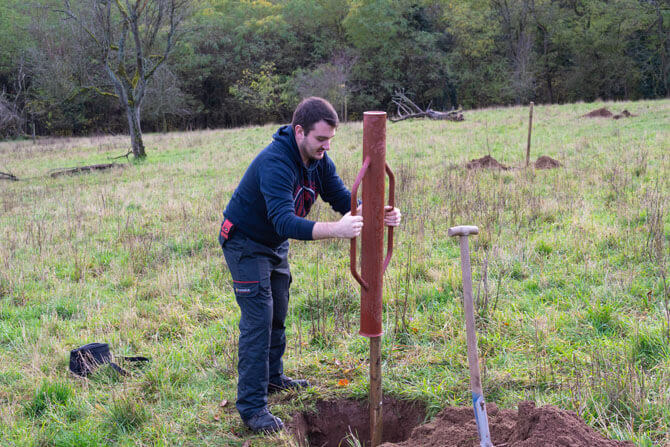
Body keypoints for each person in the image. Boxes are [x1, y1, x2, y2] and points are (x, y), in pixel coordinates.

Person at [218, 97, 401, 433]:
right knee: (258, 320)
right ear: (299, 131)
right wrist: (337, 230)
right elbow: (284, 221)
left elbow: (342, 197)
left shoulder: (319, 161)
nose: (326, 146)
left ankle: (273, 379)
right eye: (320, 139)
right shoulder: (276, 163)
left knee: (277, 314)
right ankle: (252, 409)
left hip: (272, 245)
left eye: (330, 140)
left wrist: (377, 209)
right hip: (245, 242)